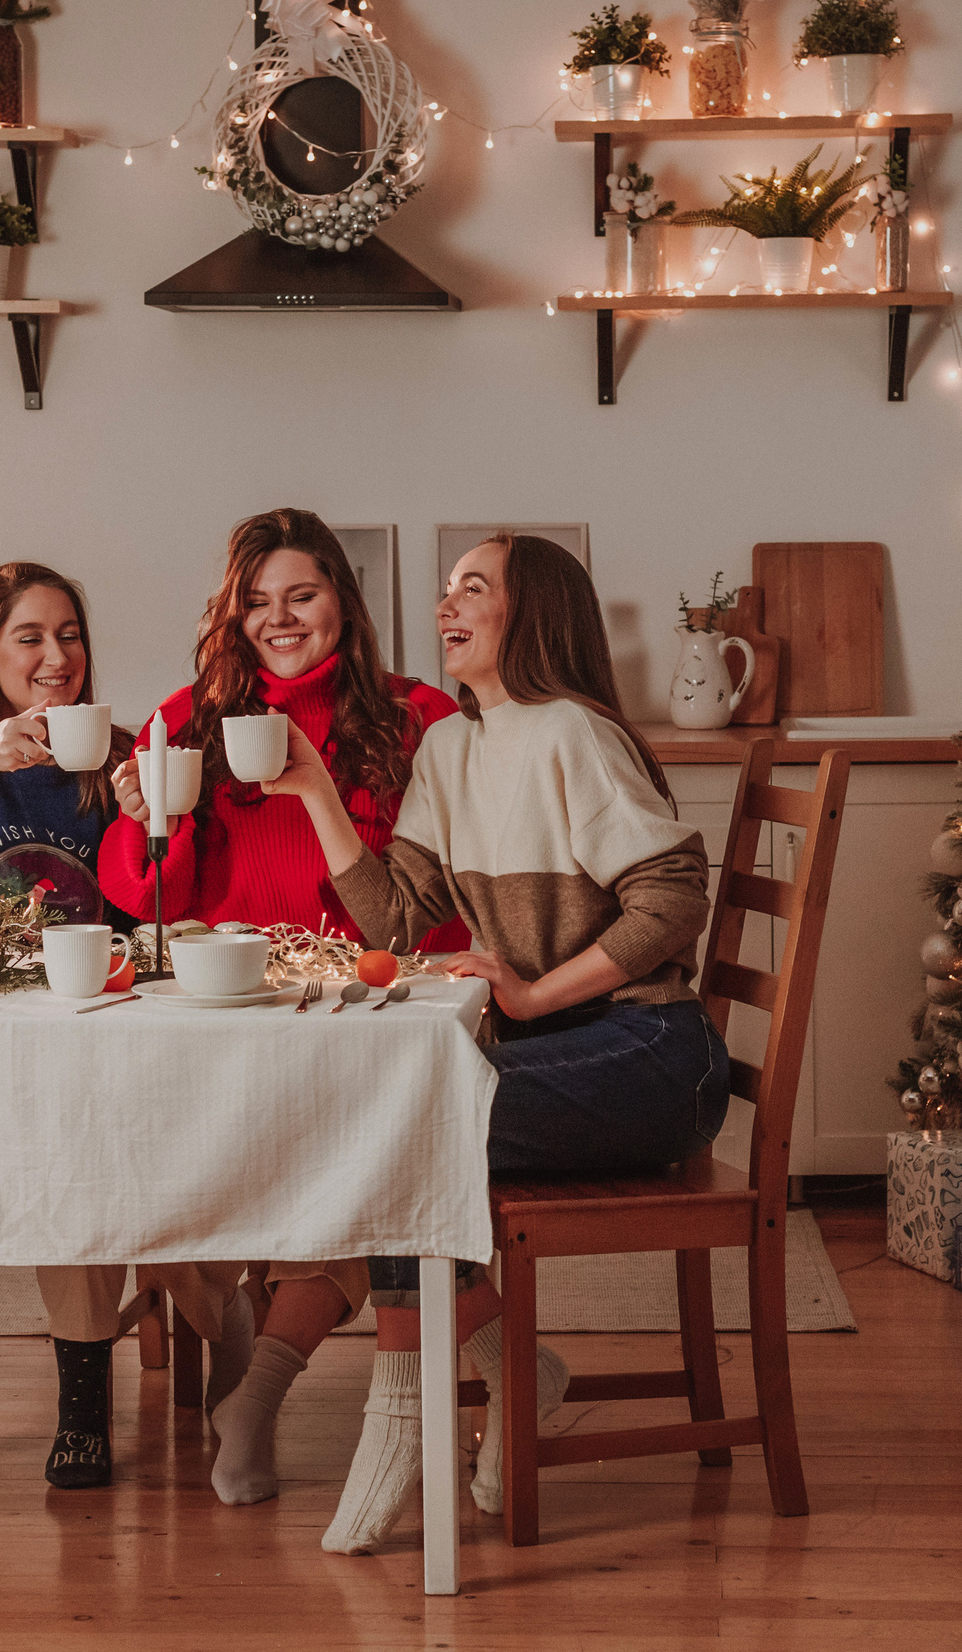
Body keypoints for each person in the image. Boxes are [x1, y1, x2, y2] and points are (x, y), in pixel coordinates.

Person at [256, 532, 731, 1554]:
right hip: (571, 1054)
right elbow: (394, 918)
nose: (446, 606)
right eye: (446, 588)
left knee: (403, 1127)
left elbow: (672, 897)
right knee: (394, 1121)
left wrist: (531, 992)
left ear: (534, 614)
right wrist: (316, 793)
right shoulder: (451, 748)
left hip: (652, 1054)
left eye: (473, 587)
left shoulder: (573, 734)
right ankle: (513, 1374)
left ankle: (404, 1414)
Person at [96, 507, 467, 1506]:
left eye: (302, 594)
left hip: (363, 1013)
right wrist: (153, 821)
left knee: (365, 1161)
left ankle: (254, 1398)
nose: (280, 618)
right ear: (234, 614)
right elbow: (144, 897)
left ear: (343, 598)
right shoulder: (189, 719)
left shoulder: (417, 717)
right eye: (257, 602)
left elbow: (437, 901)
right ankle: (239, 1344)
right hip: (228, 1012)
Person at [0, 560, 249, 1497]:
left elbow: (149, 909)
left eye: (70, 634)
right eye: (31, 637)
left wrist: (149, 822)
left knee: (81, 1162)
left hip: (85, 1021)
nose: (57, 657)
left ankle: (84, 1410)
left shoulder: (112, 752)